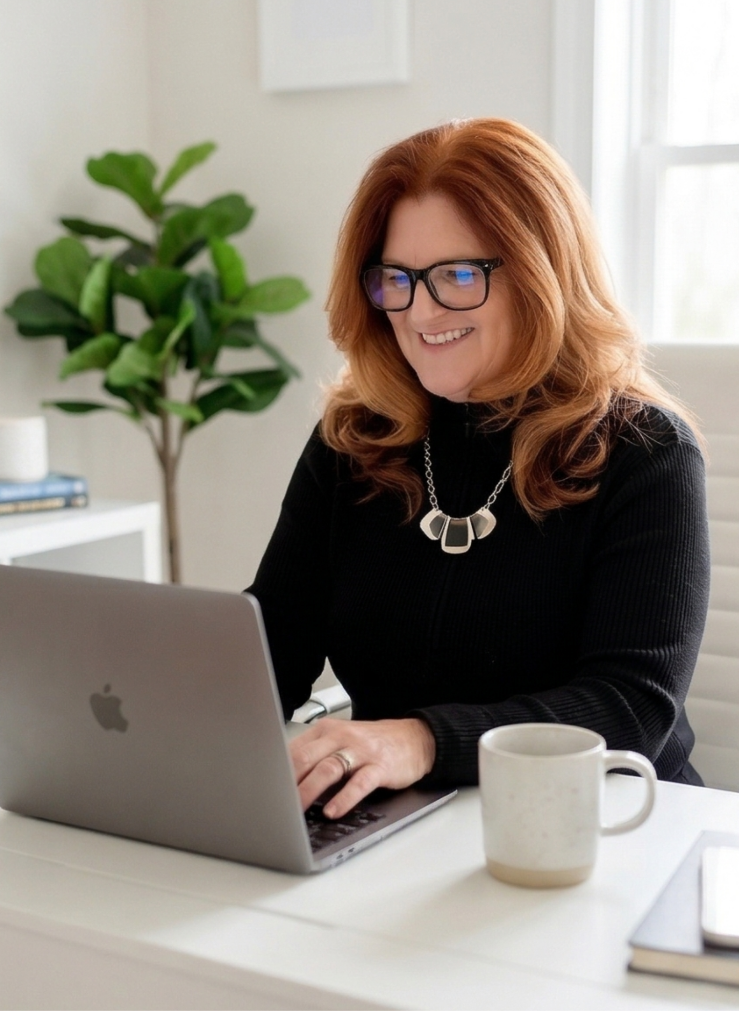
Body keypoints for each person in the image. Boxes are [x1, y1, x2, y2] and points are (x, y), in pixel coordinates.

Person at [247, 118, 710, 820]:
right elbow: (274, 638)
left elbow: (630, 703)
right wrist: (178, 730)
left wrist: (423, 741)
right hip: (398, 821)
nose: (420, 310)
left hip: (606, 824)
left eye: (459, 275)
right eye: (395, 279)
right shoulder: (354, 440)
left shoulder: (646, 452)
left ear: (541, 272)